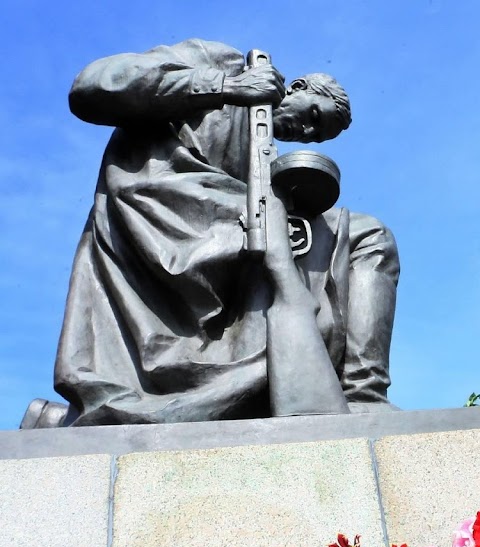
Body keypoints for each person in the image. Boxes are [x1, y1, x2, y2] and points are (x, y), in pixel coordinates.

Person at [39, 38, 399, 426]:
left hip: (232, 230)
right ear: (295, 87)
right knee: (360, 235)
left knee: (365, 238)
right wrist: (226, 87)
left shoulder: (262, 156)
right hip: (161, 213)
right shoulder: (221, 63)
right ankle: (357, 390)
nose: (306, 130)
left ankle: (362, 392)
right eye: (314, 113)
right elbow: (93, 86)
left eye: (315, 135)